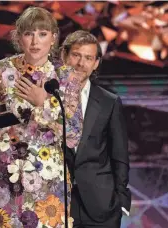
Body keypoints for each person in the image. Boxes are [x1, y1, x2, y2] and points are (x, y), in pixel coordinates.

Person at [0, 7, 83, 228]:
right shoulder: (2, 70)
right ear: (18, 38)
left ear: (53, 38)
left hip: (46, 182)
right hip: (3, 178)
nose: (35, 41)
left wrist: (43, 104)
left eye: (42, 33)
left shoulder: (65, 76)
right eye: (29, 33)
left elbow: (74, 135)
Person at [60, 30, 131, 228]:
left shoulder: (109, 101)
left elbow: (119, 155)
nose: (81, 64)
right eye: (76, 55)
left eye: (88, 58)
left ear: (96, 63)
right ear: (64, 56)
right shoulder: (47, 97)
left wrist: (121, 200)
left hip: (102, 206)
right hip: (56, 204)